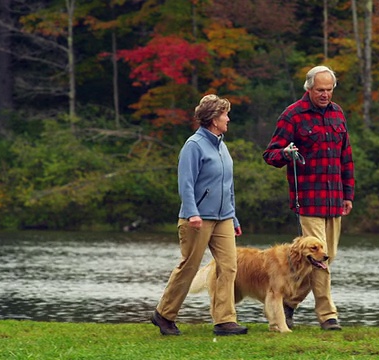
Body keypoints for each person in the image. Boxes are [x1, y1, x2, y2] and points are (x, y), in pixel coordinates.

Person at [262, 65, 355, 331]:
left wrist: (348, 194)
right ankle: (328, 316)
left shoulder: (338, 114)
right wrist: (286, 153)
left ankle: (289, 304)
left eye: (329, 90)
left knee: (326, 258)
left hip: (334, 199)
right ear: (309, 89)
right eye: (320, 90)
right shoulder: (293, 115)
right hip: (308, 200)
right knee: (319, 258)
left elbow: (346, 157)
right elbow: (270, 154)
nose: (325, 94)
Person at [152, 94, 247, 336]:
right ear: (214, 119)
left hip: (224, 217)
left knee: (229, 267)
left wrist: (233, 217)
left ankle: (225, 320)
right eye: (225, 114)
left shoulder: (222, 145)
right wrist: (192, 212)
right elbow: (186, 183)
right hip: (197, 218)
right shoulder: (193, 146)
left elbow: (228, 186)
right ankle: (164, 314)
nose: (228, 118)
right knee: (189, 267)